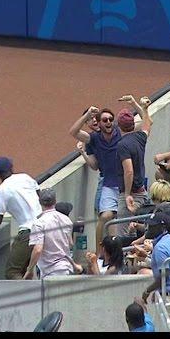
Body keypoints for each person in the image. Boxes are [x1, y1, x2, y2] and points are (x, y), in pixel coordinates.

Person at [69, 106, 121, 248]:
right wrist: (83, 153)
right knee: (104, 215)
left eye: (109, 119)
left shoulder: (118, 131)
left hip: (122, 182)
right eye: (90, 119)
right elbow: (94, 165)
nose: (94, 121)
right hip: (107, 181)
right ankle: (102, 251)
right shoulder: (93, 139)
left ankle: (113, 248)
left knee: (114, 218)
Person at [116, 95, 153, 236]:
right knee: (136, 231)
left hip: (131, 195)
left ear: (119, 126)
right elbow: (148, 122)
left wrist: (126, 194)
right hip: (141, 193)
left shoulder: (122, 145)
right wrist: (140, 107)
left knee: (123, 235)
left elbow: (129, 171)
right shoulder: (140, 137)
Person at [24, 188, 77, 279]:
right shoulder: (66, 220)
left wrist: (29, 270)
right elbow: (70, 243)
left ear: (40, 202)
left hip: (50, 271)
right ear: (55, 201)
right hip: (65, 268)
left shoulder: (39, 223)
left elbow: (38, 249)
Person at [141, 212, 170, 327]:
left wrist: (147, 291)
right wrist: (158, 290)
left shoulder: (160, 248)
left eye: (152, 226)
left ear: (162, 227)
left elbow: (163, 276)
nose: (149, 228)